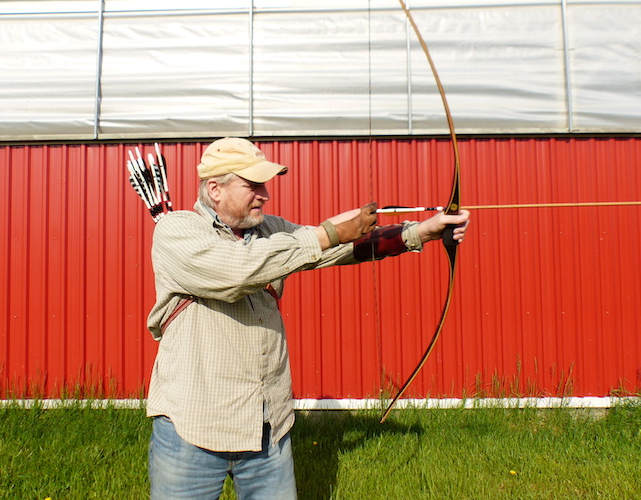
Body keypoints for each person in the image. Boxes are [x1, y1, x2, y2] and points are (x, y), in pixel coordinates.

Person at [146, 137, 470, 500]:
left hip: (268, 427)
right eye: (252, 185)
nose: (264, 195)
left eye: (264, 185)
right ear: (215, 189)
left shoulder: (269, 229)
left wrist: (422, 231)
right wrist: (327, 233)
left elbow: (334, 249)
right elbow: (238, 270)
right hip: (193, 427)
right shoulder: (177, 229)